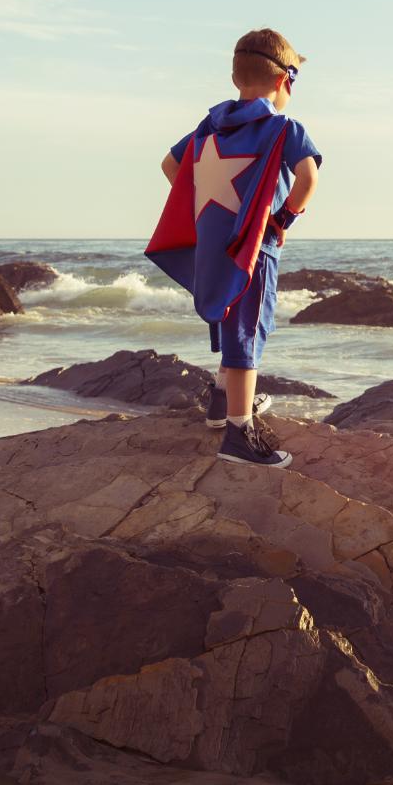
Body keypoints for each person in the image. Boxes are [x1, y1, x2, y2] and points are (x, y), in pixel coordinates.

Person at [145, 28, 321, 466]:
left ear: (234, 77)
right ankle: (240, 434)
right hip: (253, 249)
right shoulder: (283, 127)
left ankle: (221, 404)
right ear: (286, 81)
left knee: (228, 318)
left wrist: (209, 211)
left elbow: (171, 165)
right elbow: (309, 178)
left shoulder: (210, 126)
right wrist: (283, 218)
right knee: (248, 333)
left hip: (214, 245)